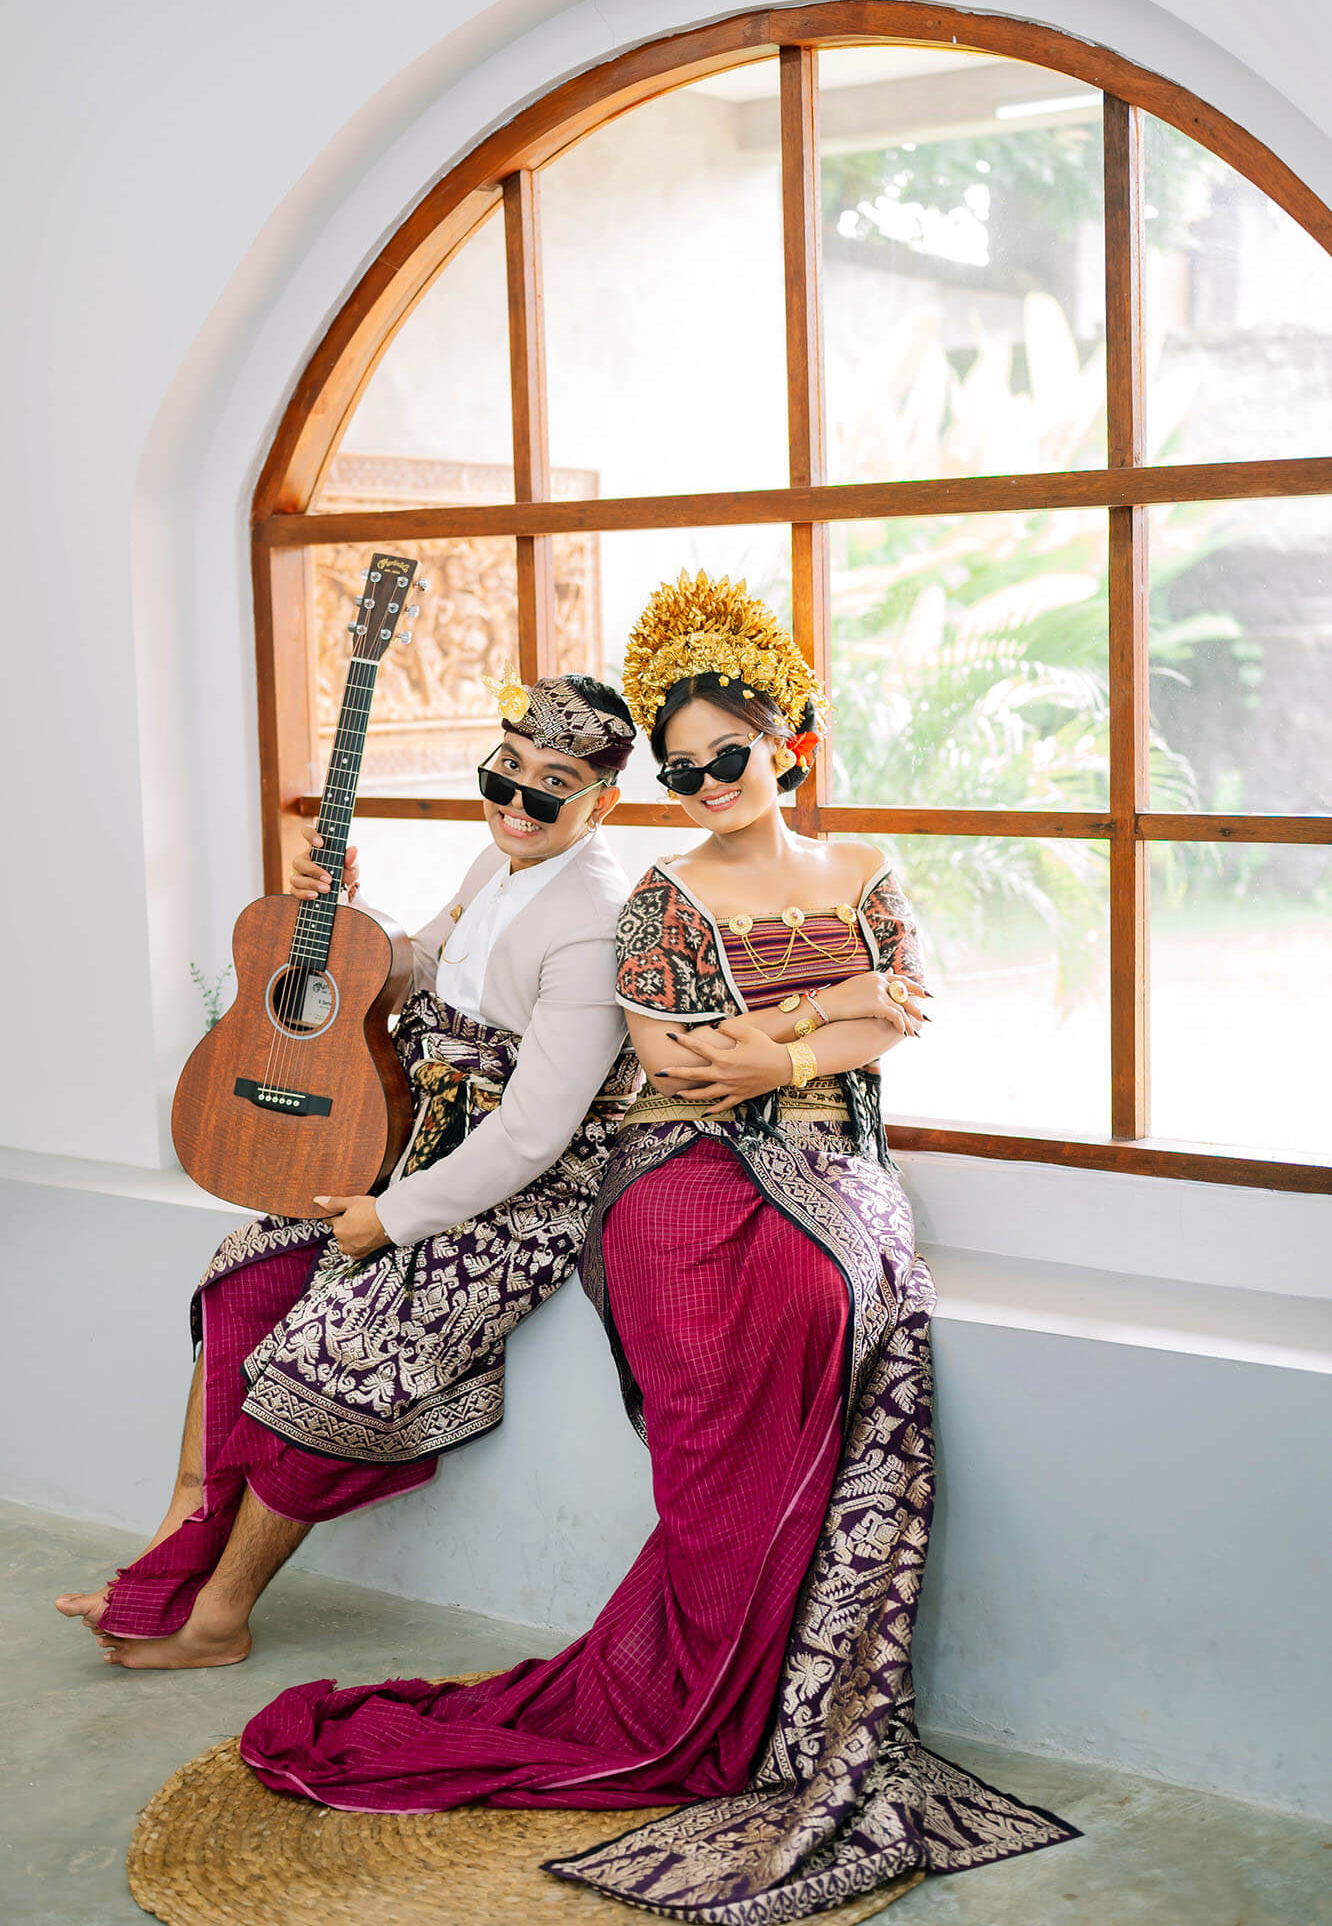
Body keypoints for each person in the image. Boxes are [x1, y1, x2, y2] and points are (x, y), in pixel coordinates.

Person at [236, 575, 1077, 1919]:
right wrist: (830, 1006)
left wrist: (791, 1040)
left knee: (836, 1289)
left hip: (834, 1162)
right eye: (682, 772)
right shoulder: (654, 897)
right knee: (723, 1356)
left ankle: (775, 1689)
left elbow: (906, 1005)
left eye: (728, 759)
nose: (707, 788)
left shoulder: (863, 868)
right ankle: (691, 1687)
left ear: (790, 744)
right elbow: (684, 1066)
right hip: (672, 1172)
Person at [55, 670, 641, 1671]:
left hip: (522, 1194)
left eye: (552, 783)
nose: (517, 799)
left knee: (334, 1352)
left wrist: (393, 1218)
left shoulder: (593, 920)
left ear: (605, 801)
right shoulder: (499, 858)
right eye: (506, 769)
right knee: (247, 1270)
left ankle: (219, 1613)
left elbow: (535, 1135)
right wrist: (348, 914)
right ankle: (170, 1554)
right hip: (412, 1138)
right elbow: (420, 969)